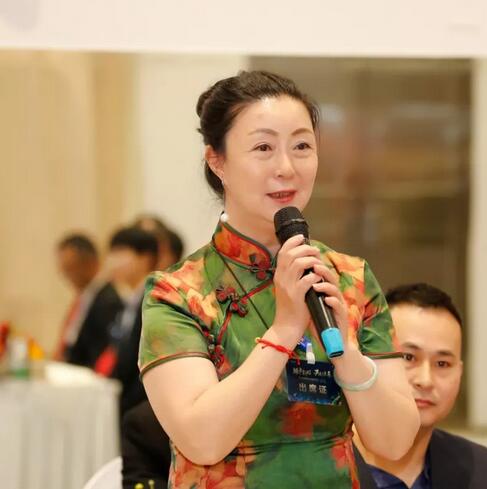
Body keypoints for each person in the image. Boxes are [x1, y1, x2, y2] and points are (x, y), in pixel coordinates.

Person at [139, 70, 419, 488]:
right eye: (263, 148)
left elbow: (394, 442)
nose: (286, 168)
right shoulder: (177, 292)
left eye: (302, 146)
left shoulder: (350, 278)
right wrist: (285, 328)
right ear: (217, 161)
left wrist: (346, 352)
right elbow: (202, 441)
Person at [354, 283, 487, 489]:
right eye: (408, 357)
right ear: (366, 358)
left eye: (442, 364)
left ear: (460, 372)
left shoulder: (485, 470)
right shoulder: (322, 462)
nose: (426, 381)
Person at [96, 227, 159, 416]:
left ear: (145, 258)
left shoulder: (154, 300)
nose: (112, 261)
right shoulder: (129, 300)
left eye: (120, 253)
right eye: (111, 254)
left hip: (139, 407)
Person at [55, 233, 123, 368]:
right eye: (64, 269)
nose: (66, 276)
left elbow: (99, 352)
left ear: (90, 262)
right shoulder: (84, 297)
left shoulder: (107, 301)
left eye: (70, 268)